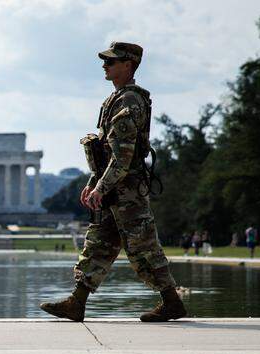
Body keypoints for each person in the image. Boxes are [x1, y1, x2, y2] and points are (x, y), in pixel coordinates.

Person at [40, 42, 186, 322]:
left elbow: (123, 156)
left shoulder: (129, 101)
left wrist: (100, 187)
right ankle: (77, 302)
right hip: (115, 189)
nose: (105, 66)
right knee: (99, 244)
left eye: (111, 61)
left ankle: (172, 301)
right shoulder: (115, 99)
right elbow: (106, 152)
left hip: (127, 190)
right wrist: (94, 181)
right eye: (105, 62)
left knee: (143, 247)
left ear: (128, 65)